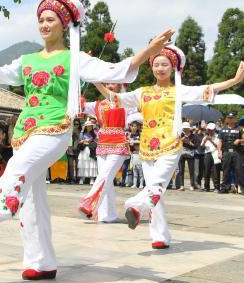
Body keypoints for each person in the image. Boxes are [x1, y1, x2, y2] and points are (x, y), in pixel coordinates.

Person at [0, 0, 172, 280]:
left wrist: (149, 50)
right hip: (25, 130)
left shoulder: (75, 59)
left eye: (50, 20)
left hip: (55, 127)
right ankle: (41, 261)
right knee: (33, 199)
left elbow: (118, 70)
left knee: (16, 169)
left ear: (63, 25)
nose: (44, 25)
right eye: (41, 20)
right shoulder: (28, 59)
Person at [104, 47, 243, 249]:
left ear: (173, 68)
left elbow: (207, 88)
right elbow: (114, 99)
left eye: (165, 65)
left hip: (170, 143)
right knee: (156, 190)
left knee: (157, 183)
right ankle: (160, 236)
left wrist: (233, 81)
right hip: (146, 147)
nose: (160, 68)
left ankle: (136, 206)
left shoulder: (178, 91)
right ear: (151, 67)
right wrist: (94, 79)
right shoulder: (142, 92)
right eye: (156, 64)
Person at [77, 84, 137, 222]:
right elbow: (81, 107)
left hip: (119, 143)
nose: (110, 85)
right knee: (107, 179)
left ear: (120, 84)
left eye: (114, 83)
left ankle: (89, 202)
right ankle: (107, 215)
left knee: (105, 175)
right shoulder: (98, 104)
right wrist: (78, 94)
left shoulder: (126, 101)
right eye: (107, 83)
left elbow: (138, 113)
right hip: (102, 144)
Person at [218, 112, 244, 194]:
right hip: (226, 152)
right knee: (226, 170)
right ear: (226, 119)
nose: (230, 119)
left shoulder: (239, 128)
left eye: (232, 118)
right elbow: (220, 141)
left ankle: (242, 188)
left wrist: (239, 140)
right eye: (228, 118)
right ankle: (225, 188)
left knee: (239, 170)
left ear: (235, 119)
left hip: (237, 152)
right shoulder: (222, 129)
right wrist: (219, 151)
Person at [175, 123, 199, 191]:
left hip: (190, 153)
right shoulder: (180, 135)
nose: (184, 129)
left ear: (189, 129)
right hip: (181, 153)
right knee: (181, 170)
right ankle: (181, 185)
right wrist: (182, 139)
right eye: (184, 128)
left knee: (191, 170)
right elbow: (176, 143)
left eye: (186, 128)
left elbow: (196, 146)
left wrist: (189, 142)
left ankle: (192, 185)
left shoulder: (194, 136)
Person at [201, 123, 222, 192]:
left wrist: (211, 140)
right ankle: (206, 187)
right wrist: (204, 141)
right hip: (207, 154)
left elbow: (218, 146)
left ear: (214, 130)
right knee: (206, 171)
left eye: (211, 130)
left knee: (216, 171)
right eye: (209, 130)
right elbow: (201, 147)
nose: (210, 131)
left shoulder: (218, 136)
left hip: (215, 154)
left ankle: (217, 187)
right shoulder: (205, 136)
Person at [76, 119, 98, 184]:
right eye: (88, 126)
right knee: (83, 164)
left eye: (90, 126)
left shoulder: (94, 134)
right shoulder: (82, 133)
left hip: (91, 150)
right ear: (85, 127)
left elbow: (96, 142)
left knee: (91, 164)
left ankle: (92, 179)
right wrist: (83, 141)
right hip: (84, 151)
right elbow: (79, 141)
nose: (89, 127)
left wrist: (88, 142)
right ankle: (82, 178)